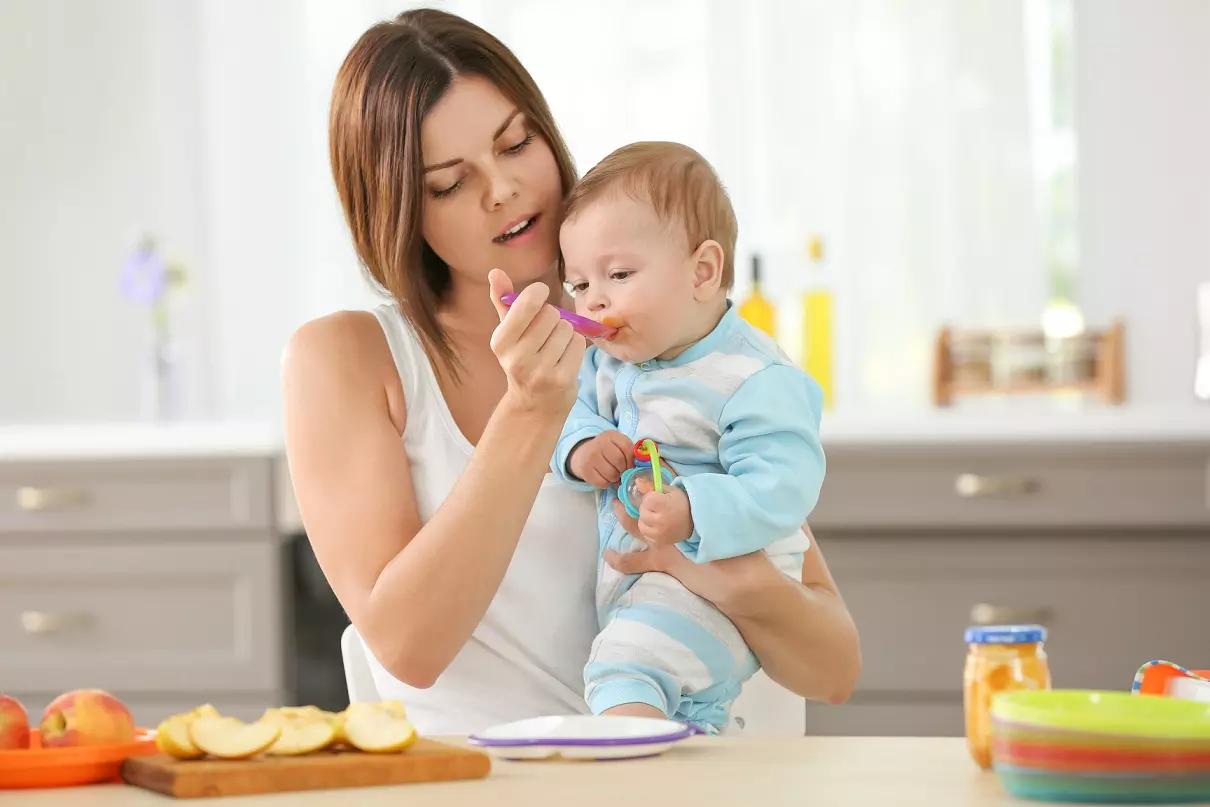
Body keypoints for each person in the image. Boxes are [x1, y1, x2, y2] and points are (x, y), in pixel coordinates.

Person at [281, 7, 861, 736]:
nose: (503, 189)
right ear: (399, 210)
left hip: (691, 779)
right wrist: (532, 412)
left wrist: (698, 561)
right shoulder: (350, 359)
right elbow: (408, 646)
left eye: (516, 143)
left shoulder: (652, 334)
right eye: (450, 183)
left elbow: (832, 666)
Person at [551, 141, 826, 734]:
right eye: (576, 285)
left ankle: (641, 784)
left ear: (703, 272)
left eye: (618, 275)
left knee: (620, 674)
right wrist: (580, 446)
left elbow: (784, 486)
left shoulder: (752, 376)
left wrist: (693, 509)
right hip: (643, 586)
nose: (593, 299)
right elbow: (564, 412)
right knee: (673, 701)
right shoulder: (609, 363)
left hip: (721, 585)